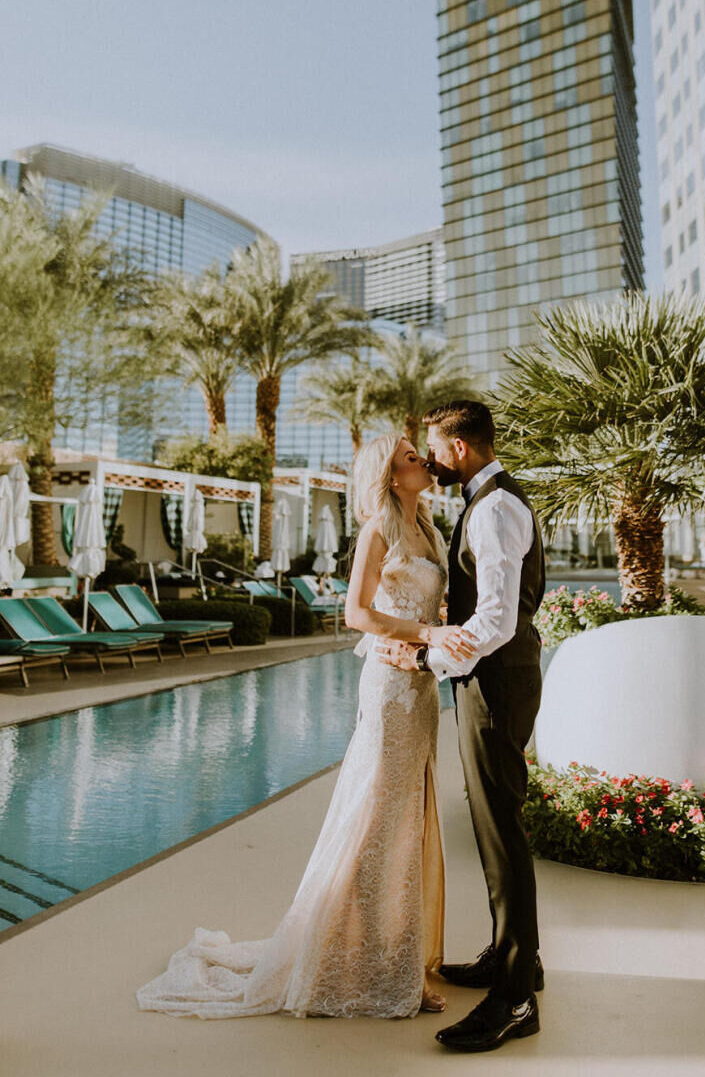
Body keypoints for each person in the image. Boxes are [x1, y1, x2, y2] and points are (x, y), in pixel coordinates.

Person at [136, 434, 474, 1021]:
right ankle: (356, 967)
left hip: (420, 688)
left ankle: (397, 962)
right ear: (391, 476)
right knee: (378, 819)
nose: (423, 461)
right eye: (410, 458)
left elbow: (423, 608)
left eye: (420, 453)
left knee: (409, 821)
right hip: (392, 688)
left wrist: (440, 629)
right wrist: (427, 635)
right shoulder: (379, 530)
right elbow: (356, 614)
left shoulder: (433, 533)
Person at [377, 400, 546, 1053]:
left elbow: (498, 621)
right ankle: (516, 959)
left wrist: (424, 655)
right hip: (493, 678)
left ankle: (514, 999)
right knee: (494, 818)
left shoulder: (496, 507)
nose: (432, 459)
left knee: (500, 827)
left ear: (460, 447)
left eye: (435, 448)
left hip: (497, 681)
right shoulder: (487, 501)